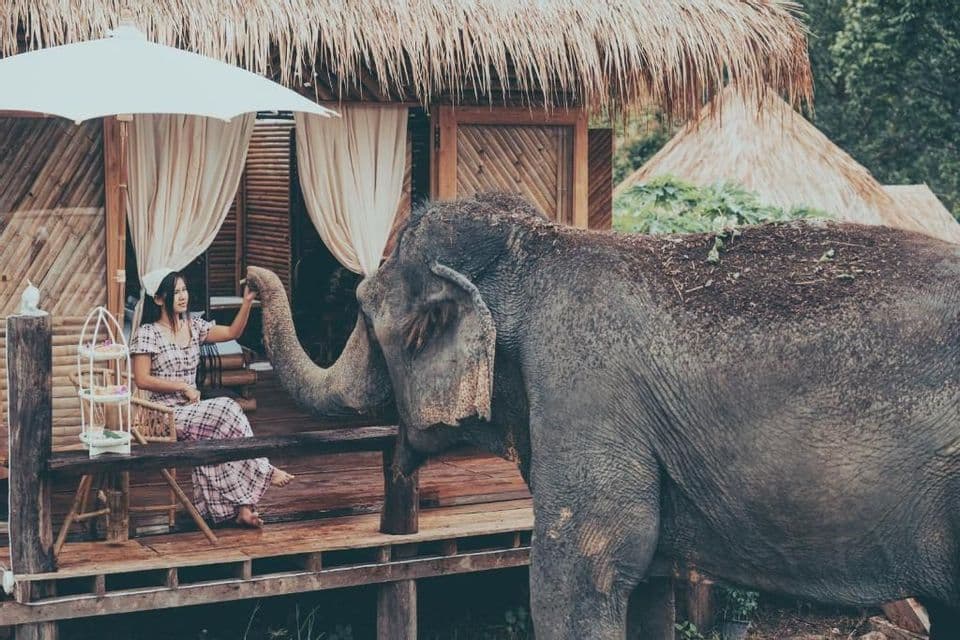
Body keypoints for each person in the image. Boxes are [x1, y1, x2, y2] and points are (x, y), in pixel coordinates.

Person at [130, 268, 293, 528]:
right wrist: (181, 387)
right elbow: (142, 379)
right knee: (228, 406)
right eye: (176, 292)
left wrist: (248, 301)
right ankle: (264, 469)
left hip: (193, 413)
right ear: (159, 299)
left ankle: (242, 508)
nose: (183, 296)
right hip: (161, 414)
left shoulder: (194, 326)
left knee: (220, 438)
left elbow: (232, 333)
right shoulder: (148, 333)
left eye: (184, 290)